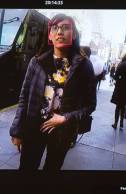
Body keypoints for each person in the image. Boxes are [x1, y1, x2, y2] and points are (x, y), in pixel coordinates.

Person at [9, 14, 96, 171]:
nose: (59, 32)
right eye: (55, 28)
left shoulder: (84, 66)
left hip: (62, 132)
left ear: (74, 34)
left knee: (52, 170)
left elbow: (90, 105)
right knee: (27, 169)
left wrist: (65, 118)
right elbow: (24, 98)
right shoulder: (36, 62)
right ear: (50, 35)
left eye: (65, 27)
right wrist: (17, 131)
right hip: (34, 127)